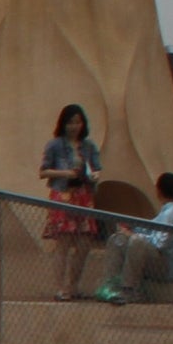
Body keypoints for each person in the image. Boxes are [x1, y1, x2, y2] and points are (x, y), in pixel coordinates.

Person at [93, 172, 173, 301]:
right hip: (154, 259)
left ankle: (130, 290)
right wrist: (131, 228)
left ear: (158, 191)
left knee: (137, 241)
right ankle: (111, 286)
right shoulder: (166, 211)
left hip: (166, 266)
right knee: (118, 239)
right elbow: (150, 228)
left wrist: (133, 235)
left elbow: (160, 243)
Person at [38, 102, 103, 299]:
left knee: (84, 244)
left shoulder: (89, 146)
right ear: (63, 124)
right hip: (63, 195)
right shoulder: (55, 145)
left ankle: (73, 285)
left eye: (78, 122)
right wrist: (66, 173)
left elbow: (97, 168)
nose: (74, 127)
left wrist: (94, 175)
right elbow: (43, 171)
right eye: (70, 123)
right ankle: (61, 287)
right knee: (63, 243)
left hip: (83, 196)